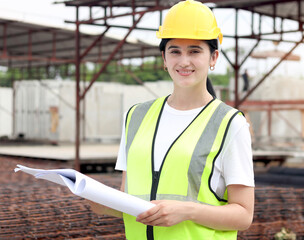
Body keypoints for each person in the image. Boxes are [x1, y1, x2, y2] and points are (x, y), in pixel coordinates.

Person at [89, 0, 254, 239]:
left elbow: (243, 215)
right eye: (174, 51)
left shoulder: (229, 123)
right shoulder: (135, 117)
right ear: (164, 59)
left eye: (195, 51)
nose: (184, 61)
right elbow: (129, 197)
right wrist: (98, 200)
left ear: (213, 57)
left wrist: (187, 211)